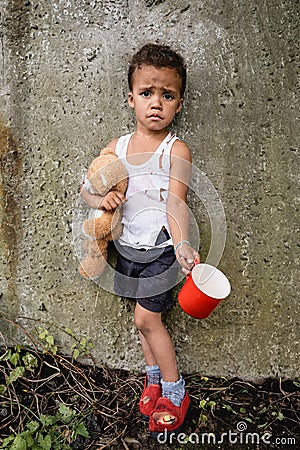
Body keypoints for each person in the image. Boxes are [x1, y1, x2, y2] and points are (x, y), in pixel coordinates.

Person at [81, 43, 200, 436]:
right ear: (130, 98)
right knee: (142, 322)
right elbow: (88, 189)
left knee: (148, 319)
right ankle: (152, 380)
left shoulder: (174, 149)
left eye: (167, 95)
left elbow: (177, 205)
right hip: (127, 248)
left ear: (179, 104)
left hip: (161, 250)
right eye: (147, 93)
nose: (156, 103)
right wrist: (103, 198)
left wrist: (182, 244)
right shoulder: (116, 148)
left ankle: (174, 390)